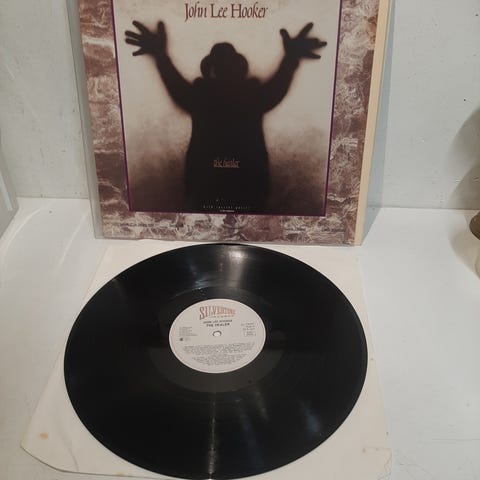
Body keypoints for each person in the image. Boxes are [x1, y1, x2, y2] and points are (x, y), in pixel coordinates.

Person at [125, 21, 326, 213]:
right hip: (223, 182)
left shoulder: (212, 97)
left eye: (229, 64)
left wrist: (160, 56)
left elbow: (276, 89)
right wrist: (291, 59)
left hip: (230, 181)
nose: (225, 69)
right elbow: (276, 89)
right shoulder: (225, 97)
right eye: (221, 65)